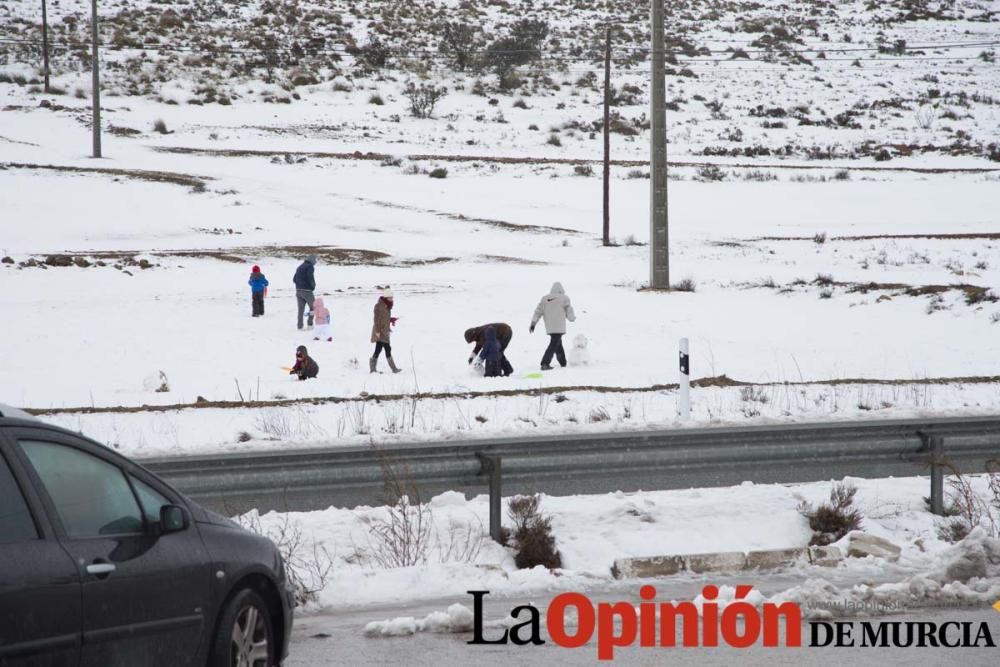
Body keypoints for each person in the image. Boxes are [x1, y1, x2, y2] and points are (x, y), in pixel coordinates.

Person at [529, 281, 576, 370]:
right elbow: (569, 309)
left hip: (550, 326)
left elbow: (538, 311)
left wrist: (533, 323)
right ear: (562, 290)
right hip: (559, 326)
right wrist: (572, 318)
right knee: (554, 343)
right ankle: (545, 363)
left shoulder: (545, 298)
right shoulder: (564, 298)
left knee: (557, 343)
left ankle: (563, 362)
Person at [370, 287, 402, 374]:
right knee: (387, 348)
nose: (392, 299)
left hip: (385, 331)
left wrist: (391, 319)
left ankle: (373, 369)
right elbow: (376, 320)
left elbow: (384, 318)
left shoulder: (387, 306)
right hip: (380, 332)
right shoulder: (378, 306)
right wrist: (377, 332)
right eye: (390, 298)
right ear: (386, 297)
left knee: (378, 349)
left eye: (392, 298)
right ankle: (394, 369)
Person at [293, 255, 317, 330]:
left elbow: (294, 279)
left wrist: (299, 286)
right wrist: (313, 286)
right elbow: (310, 278)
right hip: (307, 291)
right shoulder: (310, 267)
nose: (315, 262)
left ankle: (299, 326)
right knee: (314, 307)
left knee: (300, 310)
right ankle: (310, 324)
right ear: (312, 260)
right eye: (315, 260)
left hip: (298, 291)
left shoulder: (299, 267)